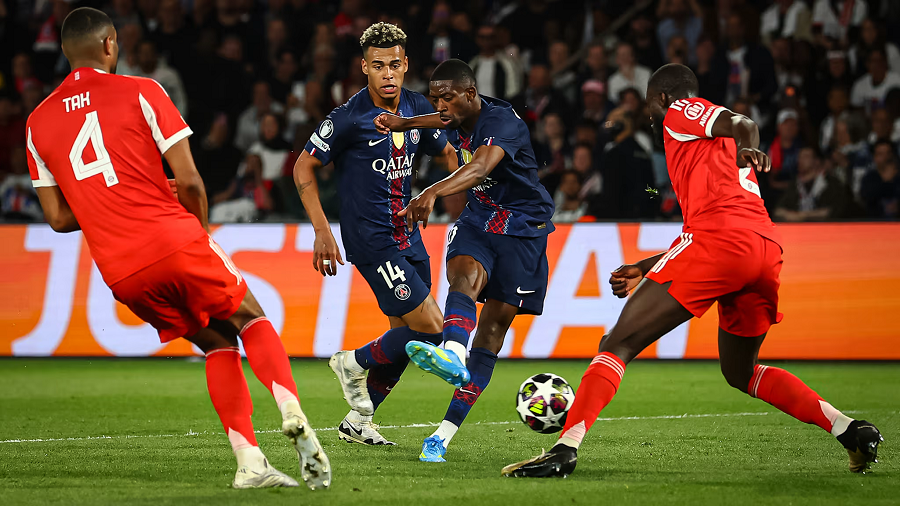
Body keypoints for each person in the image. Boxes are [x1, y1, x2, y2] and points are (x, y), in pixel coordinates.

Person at [501, 63, 883, 478]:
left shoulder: (682, 111)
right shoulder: (705, 147)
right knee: (740, 371)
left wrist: (748, 145)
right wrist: (645, 266)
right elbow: (706, 227)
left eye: (651, 105)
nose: (650, 116)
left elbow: (743, 123)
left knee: (617, 343)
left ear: (664, 98)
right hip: (763, 248)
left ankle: (564, 448)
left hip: (719, 243)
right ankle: (850, 429)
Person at [24, 7, 330, 490]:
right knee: (250, 317)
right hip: (173, 239)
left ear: (63, 51)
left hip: (122, 272)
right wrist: (199, 233)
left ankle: (250, 462)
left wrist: (107, 201)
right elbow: (189, 180)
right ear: (109, 45)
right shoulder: (143, 91)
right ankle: (291, 408)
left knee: (216, 343)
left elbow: (59, 219)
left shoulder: (37, 122)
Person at [373, 58, 555, 463]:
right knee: (463, 277)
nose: (440, 106)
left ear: (470, 94)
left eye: (447, 97)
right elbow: (440, 120)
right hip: (479, 220)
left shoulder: (502, 122)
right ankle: (454, 353)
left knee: (491, 334)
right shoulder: (456, 114)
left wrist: (432, 191)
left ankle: (442, 435)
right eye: (435, 98)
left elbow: (479, 167)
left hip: (524, 228)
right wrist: (405, 123)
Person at [292, 22, 461, 446]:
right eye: (379, 65)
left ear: (406, 66)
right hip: (370, 238)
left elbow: (448, 153)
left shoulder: (417, 108)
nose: (388, 73)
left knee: (404, 341)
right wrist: (322, 230)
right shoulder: (348, 117)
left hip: (408, 235)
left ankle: (358, 422)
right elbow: (303, 166)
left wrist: (444, 189)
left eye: (395, 65)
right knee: (432, 330)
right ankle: (351, 362)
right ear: (364, 67)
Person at [774, 146, 849, 221]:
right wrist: (790, 215)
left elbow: (832, 211)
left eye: (806, 156)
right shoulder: (795, 184)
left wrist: (803, 216)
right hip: (797, 227)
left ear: (816, 161)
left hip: (824, 227)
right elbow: (778, 210)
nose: (800, 160)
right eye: (799, 157)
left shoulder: (830, 183)